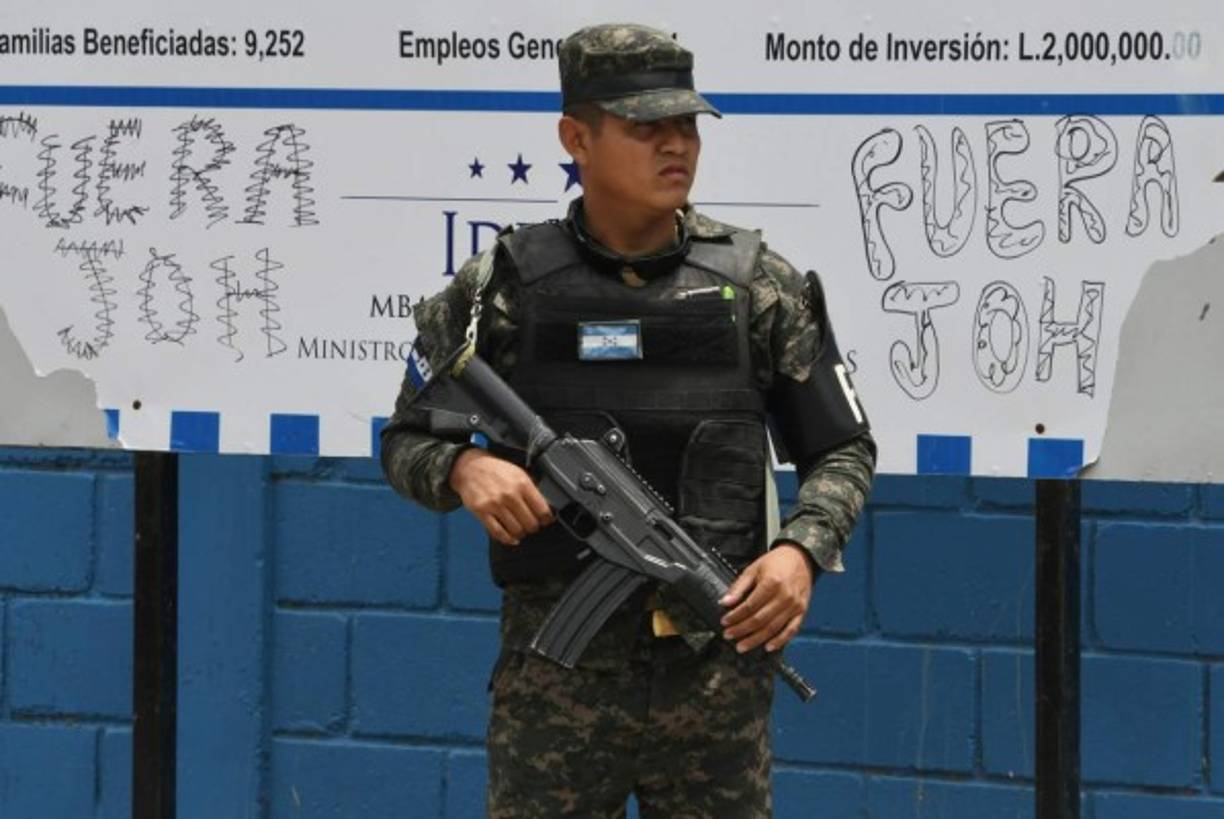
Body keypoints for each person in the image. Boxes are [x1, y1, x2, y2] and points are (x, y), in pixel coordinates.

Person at [381, 22, 876, 818]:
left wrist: (800, 553)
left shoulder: (759, 286)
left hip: (714, 681)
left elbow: (844, 447)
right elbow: (406, 439)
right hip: (557, 686)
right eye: (647, 126)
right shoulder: (500, 288)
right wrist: (463, 468)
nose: (676, 145)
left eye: (686, 125)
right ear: (576, 136)